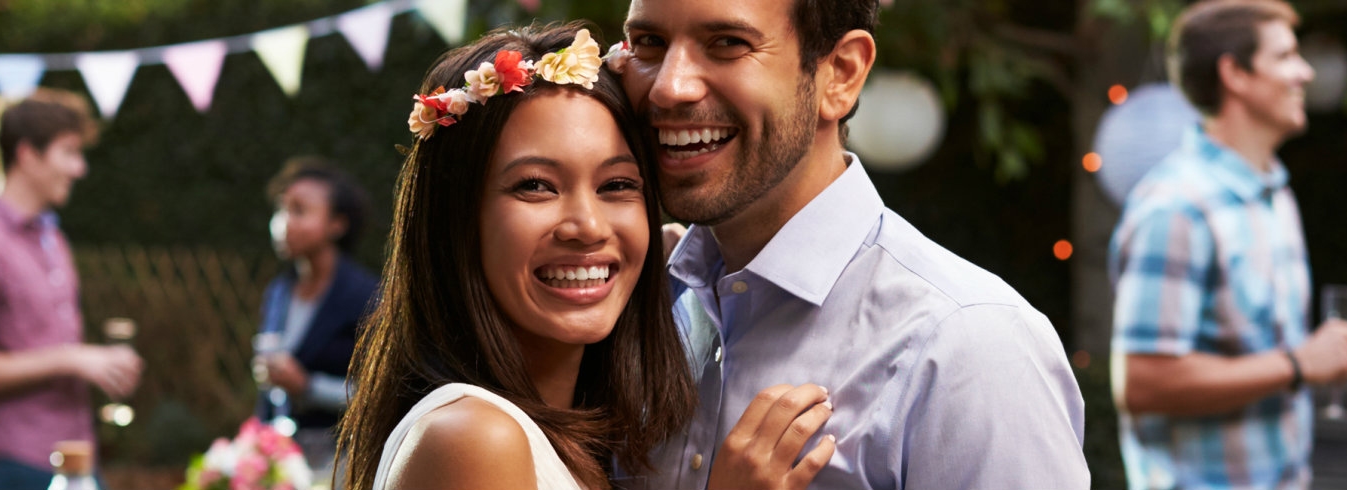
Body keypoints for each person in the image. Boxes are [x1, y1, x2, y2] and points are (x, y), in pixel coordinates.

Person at [339, 23, 841, 490]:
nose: (589, 227)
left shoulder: (585, 431)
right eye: (535, 186)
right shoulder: (474, 437)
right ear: (456, 217)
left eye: (617, 185)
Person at [616, 0, 1090, 487]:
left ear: (841, 74)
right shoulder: (636, 304)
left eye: (728, 44)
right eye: (650, 43)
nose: (670, 86)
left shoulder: (968, 347)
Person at [1108, 0, 1347, 488]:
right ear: (1236, 74)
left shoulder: (1276, 192)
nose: (1305, 72)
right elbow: (1142, 381)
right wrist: (1297, 364)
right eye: (1286, 56)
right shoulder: (1176, 208)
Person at [0, 88, 144, 490]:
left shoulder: (50, 237)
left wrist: (96, 363)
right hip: (14, 459)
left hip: (74, 455)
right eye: (68, 152)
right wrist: (71, 358)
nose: (79, 168)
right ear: (27, 155)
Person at [256, 157, 379, 474]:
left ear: (337, 224)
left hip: (343, 463)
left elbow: (381, 392)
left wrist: (308, 386)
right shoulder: (279, 292)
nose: (282, 223)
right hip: (283, 461)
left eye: (299, 210)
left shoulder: (367, 296)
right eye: (281, 210)